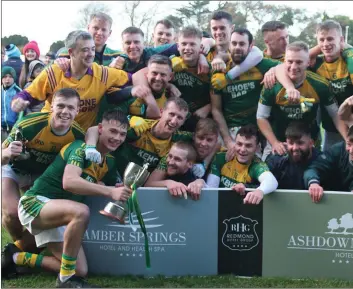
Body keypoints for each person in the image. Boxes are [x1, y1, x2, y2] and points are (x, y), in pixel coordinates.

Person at [2, 110, 132, 287]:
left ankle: (16, 257)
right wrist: (109, 191)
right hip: (35, 203)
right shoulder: (79, 147)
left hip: (61, 217)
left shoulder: (109, 162)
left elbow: (109, 186)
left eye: (122, 134)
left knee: (80, 270)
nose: (117, 137)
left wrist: (114, 188)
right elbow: (69, 182)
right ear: (100, 129)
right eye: (113, 131)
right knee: (81, 211)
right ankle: (65, 281)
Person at [1, 88, 85, 268]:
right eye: (60, 106)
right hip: (15, 169)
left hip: (42, 176)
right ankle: (18, 246)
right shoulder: (29, 124)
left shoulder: (78, 135)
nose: (65, 111)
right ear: (51, 106)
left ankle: (17, 253)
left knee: (43, 217)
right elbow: (1, 156)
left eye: (71, 107)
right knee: (11, 213)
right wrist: (7, 152)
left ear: (78, 110)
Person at [11, 30, 131, 131]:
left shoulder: (103, 73)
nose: (91, 54)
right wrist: (18, 101)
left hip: (79, 138)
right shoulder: (54, 72)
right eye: (85, 50)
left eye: (93, 49)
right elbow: (27, 94)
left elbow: (133, 77)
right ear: (71, 52)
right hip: (49, 132)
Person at [257, 41, 348, 161]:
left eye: (299, 62)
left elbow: (335, 115)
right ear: (285, 62)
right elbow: (261, 117)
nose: (294, 67)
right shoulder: (271, 84)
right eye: (290, 61)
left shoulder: (320, 85)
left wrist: (348, 140)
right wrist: (274, 142)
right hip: (279, 143)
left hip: (309, 144)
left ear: (308, 62)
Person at [210, 28, 280, 151]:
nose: (237, 47)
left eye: (242, 44)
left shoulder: (260, 64)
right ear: (229, 45)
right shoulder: (219, 69)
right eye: (234, 43)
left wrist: (273, 70)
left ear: (250, 46)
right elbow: (216, 109)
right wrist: (228, 141)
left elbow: (286, 67)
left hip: (258, 130)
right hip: (230, 131)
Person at [85, 97, 193, 172]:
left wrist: (202, 164)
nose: (174, 121)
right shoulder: (140, 127)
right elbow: (97, 129)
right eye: (171, 114)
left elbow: (206, 141)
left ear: (183, 122)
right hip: (112, 178)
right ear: (161, 112)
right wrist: (90, 147)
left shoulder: (181, 138)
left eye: (179, 118)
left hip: (145, 189)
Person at [207, 124, 278, 205]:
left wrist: (260, 191)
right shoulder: (221, 158)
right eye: (239, 144)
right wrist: (200, 182)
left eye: (248, 145)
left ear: (257, 148)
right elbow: (211, 189)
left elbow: (272, 181)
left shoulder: (256, 165)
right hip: (218, 206)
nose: (242, 149)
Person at [147, 118, 220, 186]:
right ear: (194, 136)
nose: (204, 143)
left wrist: (205, 164)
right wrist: (168, 183)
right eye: (200, 138)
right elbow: (149, 184)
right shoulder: (177, 152)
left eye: (209, 140)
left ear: (215, 141)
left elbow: (219, 144)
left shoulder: (220, 152)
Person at [170, 26, 212, 131]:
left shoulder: (209, 67)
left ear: (200, 46)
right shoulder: (170, 64)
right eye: (184, 44)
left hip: (201, 121)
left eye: (192, 44)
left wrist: (209, 107)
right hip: (175, 121)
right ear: (178, 46)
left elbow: (224, 95)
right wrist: (168, 85)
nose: (188, 48)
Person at [207, 11, 264, 86]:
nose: (218, 32)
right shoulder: (206, 51)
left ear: (232, 28)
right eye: (214, 29)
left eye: (222, 28)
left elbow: (258, 53)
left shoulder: (243, 53)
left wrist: (229, 76)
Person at [110, 54, 173, 120]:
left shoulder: (171, 97)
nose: (158, 78)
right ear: (147, 74)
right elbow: (114, 118)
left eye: (163, 75)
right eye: (154, 73)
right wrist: (131, 120)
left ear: (170, 77)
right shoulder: (132, 94)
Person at [304, 126, 353, 202]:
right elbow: (313, 168)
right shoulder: (337, 150)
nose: (351, 151)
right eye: (349, 144)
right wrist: (313, 182)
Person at [266, 121, 321, 189]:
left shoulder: (321, 161)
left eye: (300, 143)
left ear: (311, 143)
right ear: (286, 142)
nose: (295, 148)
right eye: (291, 143)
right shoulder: (276, 161)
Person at [57, 12, 123, 66]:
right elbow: (48, 72)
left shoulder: (117, 56)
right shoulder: (69, 53)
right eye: (96, 28)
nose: (99, 33)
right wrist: (57, 63)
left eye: (104, 29)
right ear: (88, 28)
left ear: (109, 33)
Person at [1, 66, 22, 141]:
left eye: (10, 76)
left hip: (13, 128)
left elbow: (21, 112)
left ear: (14, 78)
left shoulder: (18, 92)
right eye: (5, 76)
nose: (7, 79)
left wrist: (17, 125)